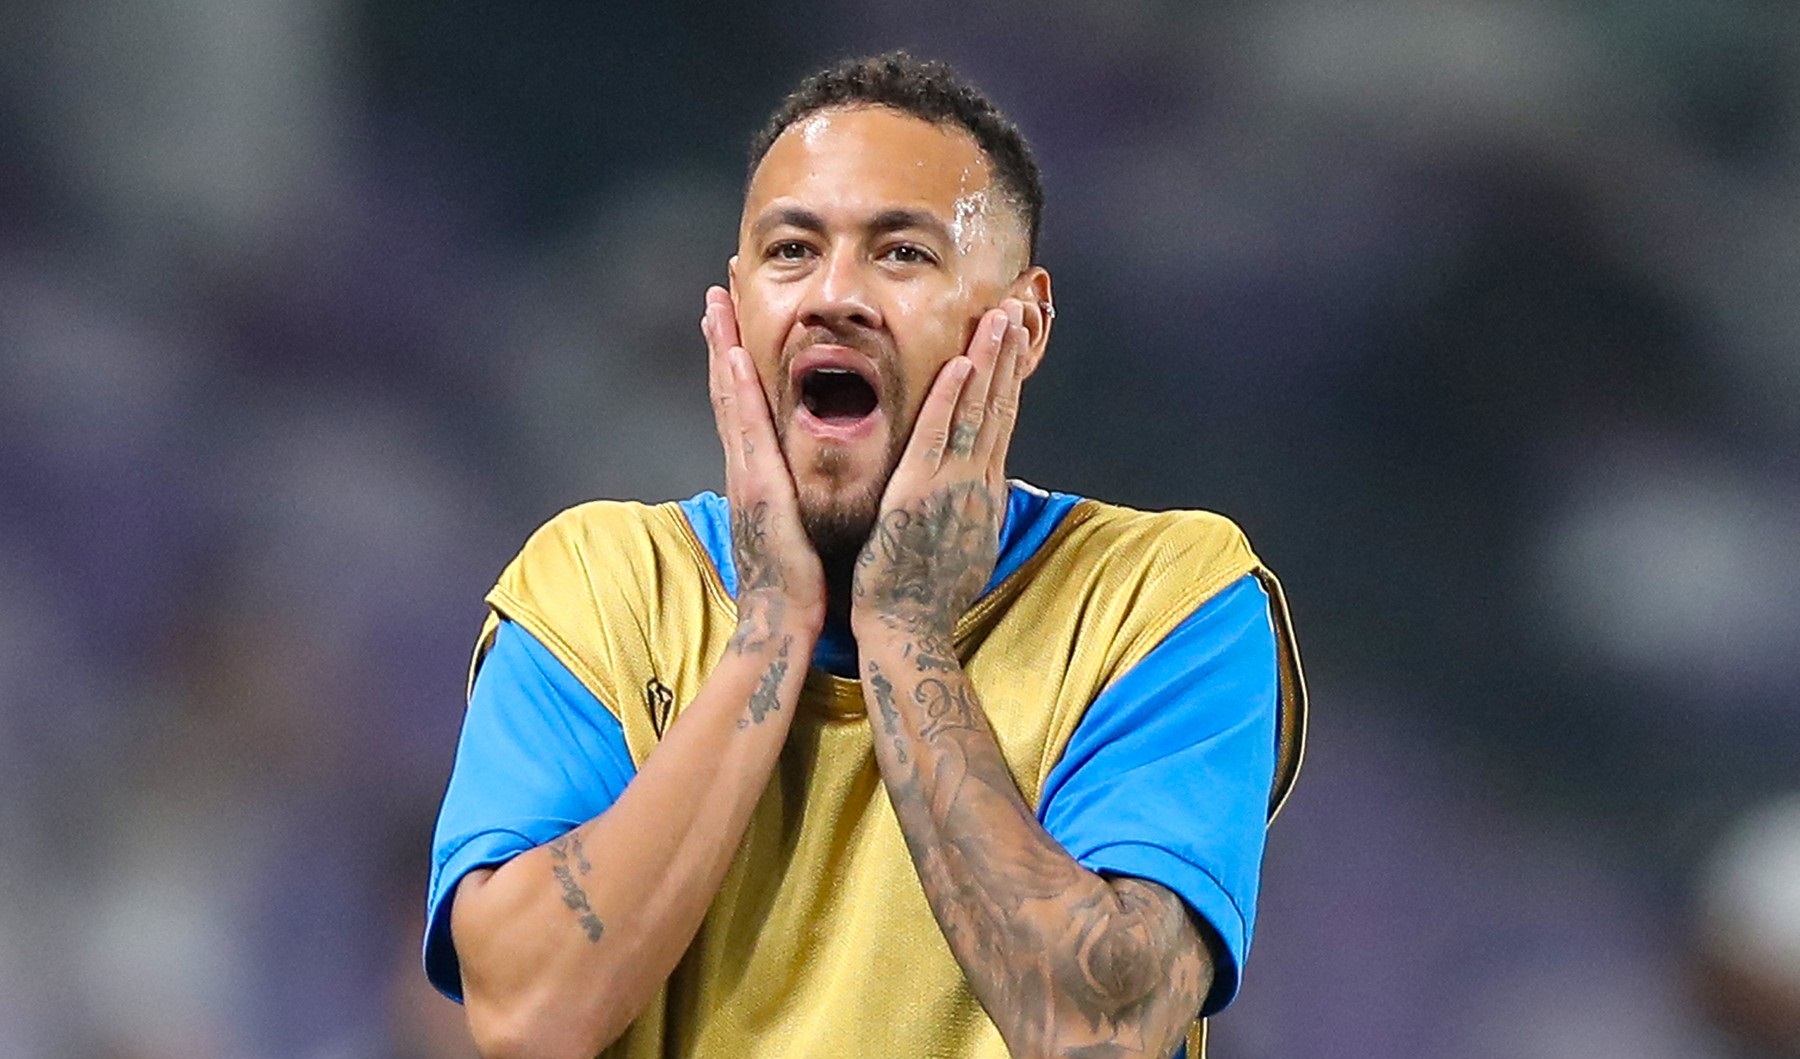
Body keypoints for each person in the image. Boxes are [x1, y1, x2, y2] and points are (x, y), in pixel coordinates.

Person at [425, 51, 1306, 1059]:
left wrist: (906, 631)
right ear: (734, 308)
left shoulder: (1162, 600)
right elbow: (527, 1019)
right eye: (791, 251)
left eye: (902, 256)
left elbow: (1097, 1030)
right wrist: (767, 633)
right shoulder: (599, 586)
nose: (833, 295)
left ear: (1022, 325)